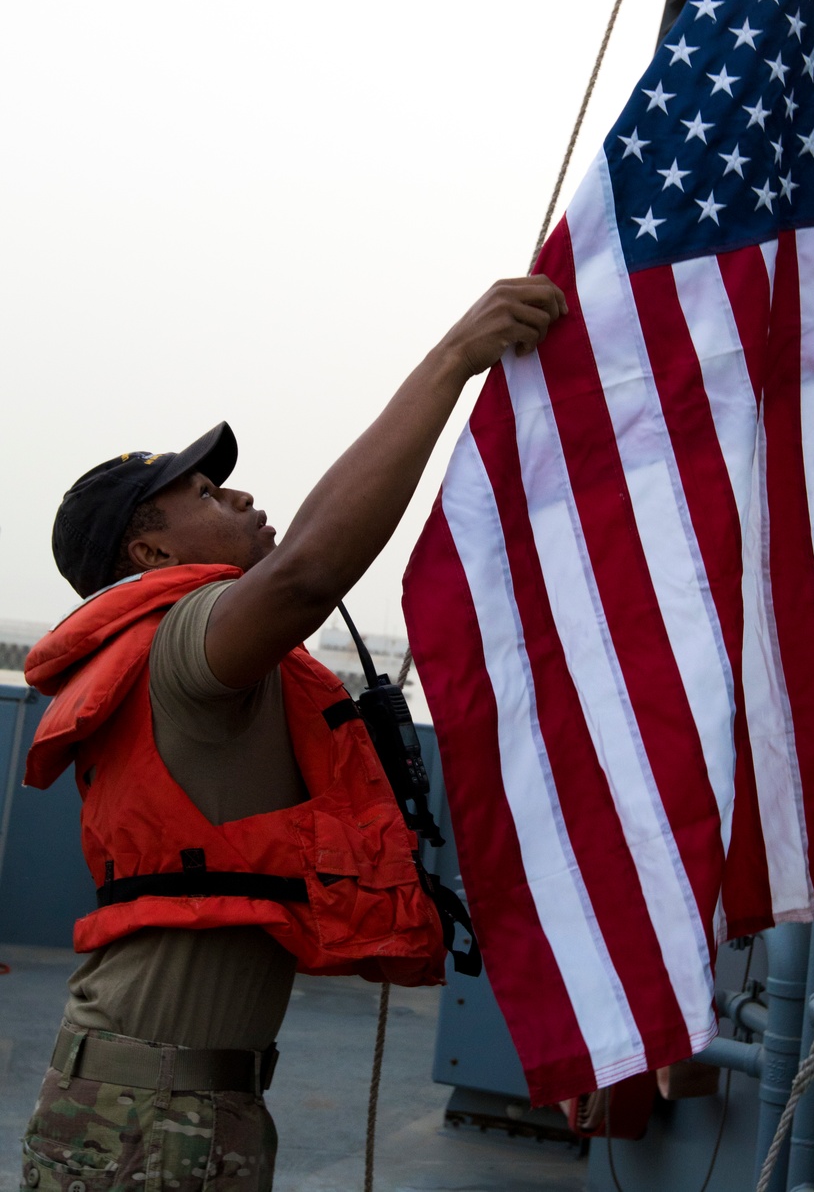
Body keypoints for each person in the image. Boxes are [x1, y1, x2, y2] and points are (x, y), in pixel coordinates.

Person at [19, 274, 566, 1192]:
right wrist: (453, 358)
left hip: (189, 1109)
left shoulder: (212, 648)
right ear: (149, 554)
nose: (239, 498)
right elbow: (311, 569)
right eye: (205, 493)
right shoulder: (186, 639)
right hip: (148, 1124)